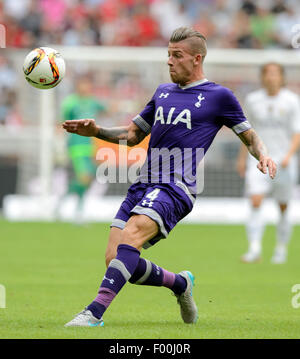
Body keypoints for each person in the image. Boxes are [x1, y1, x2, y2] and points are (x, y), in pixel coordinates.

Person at [62, 27, 276, 327]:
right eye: (168, 55)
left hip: (177, 185)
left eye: (177, 56)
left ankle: (92, 313)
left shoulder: (219, 96)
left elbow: (249, 136)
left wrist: (263, 154)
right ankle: (180, 284)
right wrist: (96, 131)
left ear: (197, 59)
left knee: (133, 234)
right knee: (116, 259)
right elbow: (133, 134)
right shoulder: (163, 92)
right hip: (144, 182)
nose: (170, 62)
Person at [237, 62, 300, 264]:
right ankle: (254, 249)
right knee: (255, 201)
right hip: (259, 159)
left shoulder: (292, 100)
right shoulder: (253, 100)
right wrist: (242, 158)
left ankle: (280, 249)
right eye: (267, 73)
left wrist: (289, 155)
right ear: (262, 77)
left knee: (283, 206)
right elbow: (246, 132)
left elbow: (297, 132)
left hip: (284, 161)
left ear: (282, 77)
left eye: (275, 73)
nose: (271, 77)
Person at [59, 74, 107, 222]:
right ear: (77, 86)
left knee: (87, 180)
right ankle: (78, 212)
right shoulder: (70, 103)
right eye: (82, 84)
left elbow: (108, 108)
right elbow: (62, 123)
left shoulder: (93, 102)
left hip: (89, 147)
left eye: (87, 84)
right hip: (76, 147)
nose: (85, 87)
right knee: (84, 177)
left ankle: (63, 200)